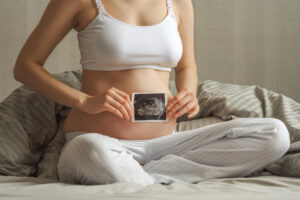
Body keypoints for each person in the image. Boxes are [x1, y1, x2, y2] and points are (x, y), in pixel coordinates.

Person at [13, 0, 290, 186]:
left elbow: (186, 65)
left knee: (275, 135)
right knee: (90, 150)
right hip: (98, 143)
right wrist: (83, 100)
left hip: (165, 145)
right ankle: (158, 180)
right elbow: (25, 66)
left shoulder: (178, 2)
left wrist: (188, 93)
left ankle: (145, 179)